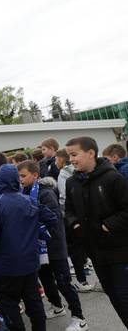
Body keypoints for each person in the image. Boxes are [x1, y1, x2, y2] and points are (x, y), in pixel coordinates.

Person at [0, 164, 58, 331]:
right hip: (30, 261)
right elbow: (52, 219)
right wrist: (38, 234)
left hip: (6, 264)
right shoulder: (29, 200)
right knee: (34, 300)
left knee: (9, 302)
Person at [18, 160, 88, 331]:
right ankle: (57, 306)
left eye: (23, 176)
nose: (20, 179)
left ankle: (79, 318)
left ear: (35, 175)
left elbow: (54, 221)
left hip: (53, 245)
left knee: (64, 282)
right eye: (19, 176)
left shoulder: (45, 193)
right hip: (38, 247)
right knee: (46, 280)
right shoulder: (23, 192)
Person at [65, 136, 128, 327]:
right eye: (69, 156)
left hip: (120, 253)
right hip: (95, 253)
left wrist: (107, 225)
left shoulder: (113, 178)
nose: (71, 160)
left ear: (91, 153)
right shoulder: (72, 183)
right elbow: (68, 210)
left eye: (74, 154)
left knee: (125, 299)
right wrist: (74, 224)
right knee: (114, 298)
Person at [56, 149, 93, 293]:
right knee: (82, 248)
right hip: (84, 216)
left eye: (56, 159)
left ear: (61, 160)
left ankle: (80, 280)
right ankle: (83, 276)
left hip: (70, 218)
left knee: (75, 249)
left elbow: (64, 197)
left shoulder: (64, 174)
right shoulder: (82, 171)